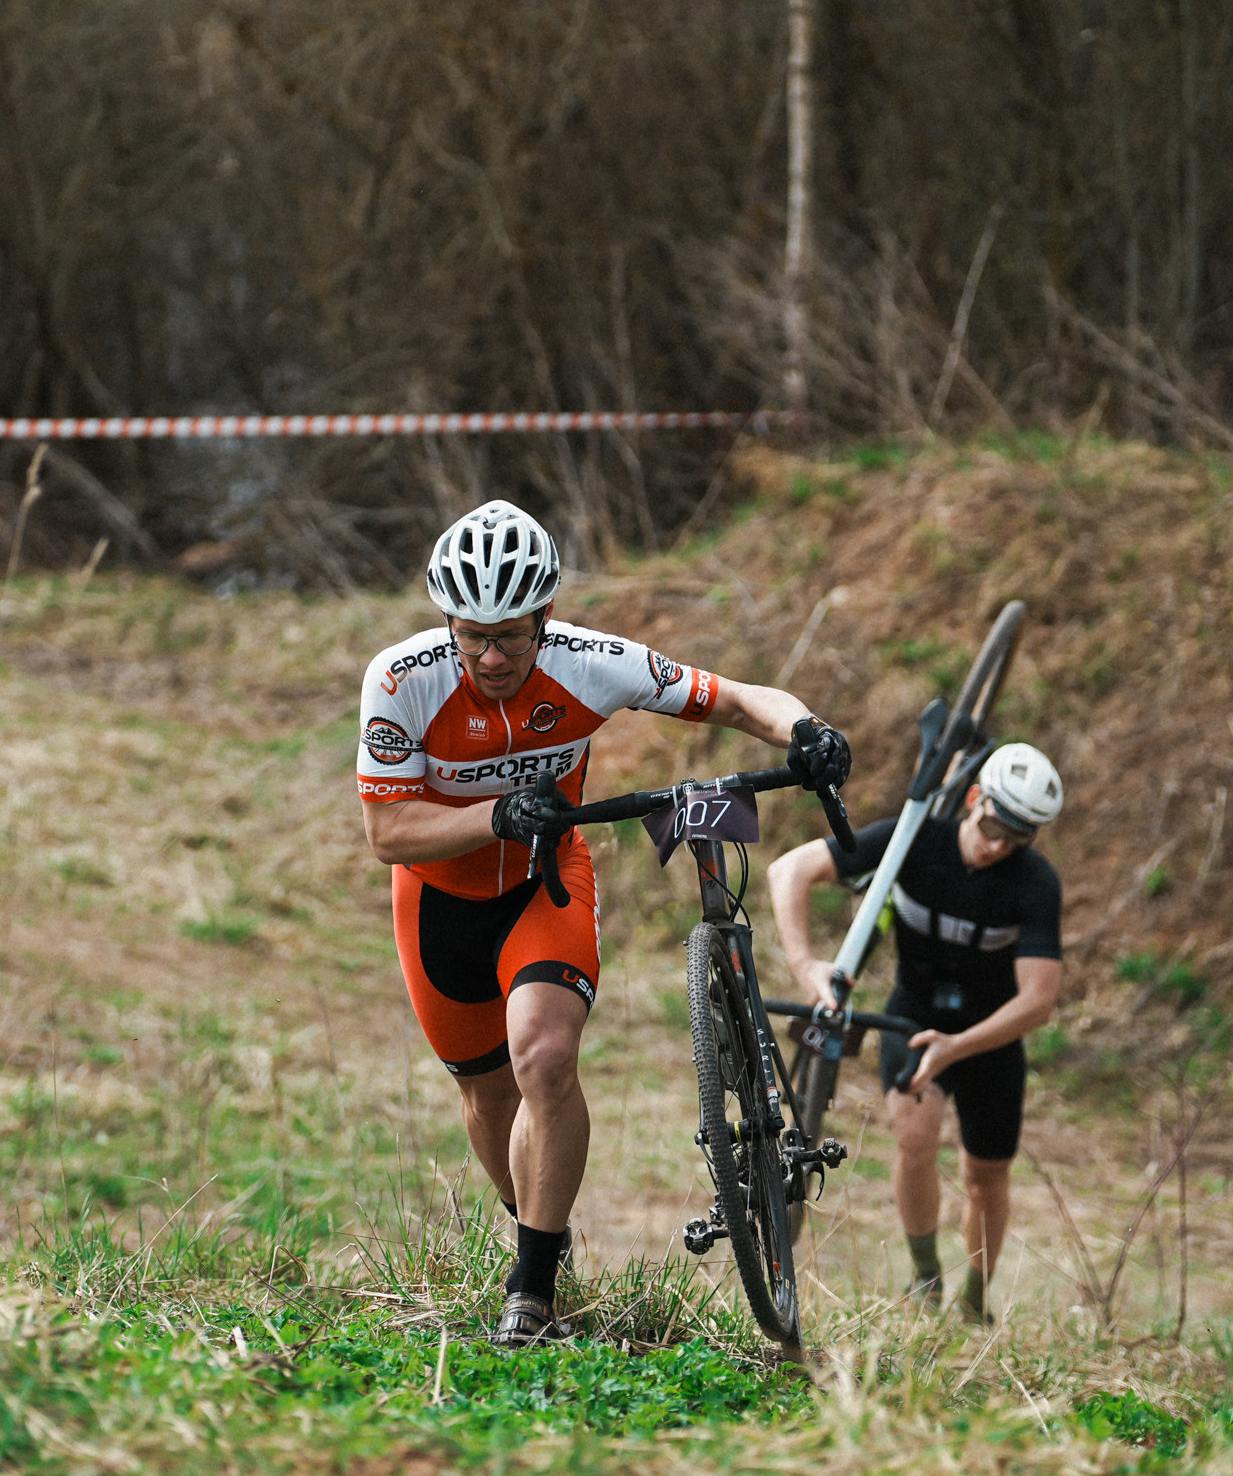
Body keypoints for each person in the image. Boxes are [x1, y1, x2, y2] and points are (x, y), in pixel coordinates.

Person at [357, 500, 851, 1347]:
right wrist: (499, 814)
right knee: (486, 1094)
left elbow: (733, 699)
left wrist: (804, 728)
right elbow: (387, 834)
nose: (490, 655)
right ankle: (533, 1230)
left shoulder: (594, 664)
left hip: (547, 884)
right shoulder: (402, 681)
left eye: (511, 635)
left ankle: (534, 1290)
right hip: (438, 902)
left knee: (543, 1059)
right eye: (470, 634)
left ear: (545, 618)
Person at [765, 741, 1066, 1324]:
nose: (998, 846)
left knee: (985, 1176)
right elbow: (789, 870)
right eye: (995, 826)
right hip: (912, 1015)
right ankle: (925, 1278)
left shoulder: (1034, 883)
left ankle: (975, 1301)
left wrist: (958, 1046)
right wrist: (806, 966)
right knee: (913, 1135)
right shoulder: (915, 840)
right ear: (974, 799)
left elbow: (1038, 1001)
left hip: (990, 1038)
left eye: (1017, 839)